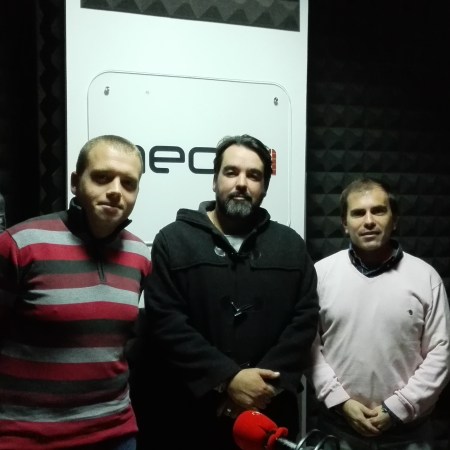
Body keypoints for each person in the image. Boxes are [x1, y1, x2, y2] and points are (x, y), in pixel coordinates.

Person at [129, 134, 319, 449]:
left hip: (268, 417)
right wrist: (228, 379)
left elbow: (305, 318)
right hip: (188, 417)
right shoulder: (173, 241)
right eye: (231, 172)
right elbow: (166, 322)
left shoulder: (290, 246)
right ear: (214, 180)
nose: (241, 183)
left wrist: (260, 389)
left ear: (265, 187)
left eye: (253, 175)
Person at [0, 135, 152, 450]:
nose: (116, 190)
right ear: (74, 182)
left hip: (116, 433)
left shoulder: (139, 254)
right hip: (27, 436)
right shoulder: (20, 245)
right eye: (102, 177)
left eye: (128, 183)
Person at [307, 177, 450, 450]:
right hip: (339, 427)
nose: (369, 221)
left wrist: (397, 408)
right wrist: (341, 401)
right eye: (358, 213)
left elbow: (441, 353)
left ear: (394, 220)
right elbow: (309, 348)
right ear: (344, 223)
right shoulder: (320, 275)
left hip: (409, 434)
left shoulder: (426, 277)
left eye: (379, 211)